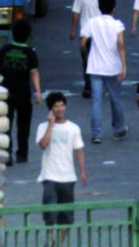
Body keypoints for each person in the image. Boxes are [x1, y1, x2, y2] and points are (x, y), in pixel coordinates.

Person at [35, 91, 87, 242]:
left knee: (66, 216)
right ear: (51, 109)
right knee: (50, 213)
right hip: (50, 176)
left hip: (68, 177)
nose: (60, 109)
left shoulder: (74, 128)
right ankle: (50, 239)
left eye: (62, 105)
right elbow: (43, 144)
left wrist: (83, 172)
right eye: (56, 106)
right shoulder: (42, 127)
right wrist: (51, 125)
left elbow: (79, 151)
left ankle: (58, 243)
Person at [81, 0, 129, 143]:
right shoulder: (117, 24)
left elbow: (83, 42)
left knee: (96, 100)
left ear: (99, 7)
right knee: (116, 99)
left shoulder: (92, 22)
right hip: (112, 67)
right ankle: (119, 129)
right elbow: (121, 45)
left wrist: (87, 56)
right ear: (113, 8)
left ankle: (97, 133)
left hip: (95, 67)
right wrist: (124, 66)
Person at [0, 17, 42, 162]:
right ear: (28, 35)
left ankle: (7, 153)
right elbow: (34, 73)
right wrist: (39, 93)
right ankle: (22, 154)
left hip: (6, 94)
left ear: (13, 33)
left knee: (6, 125)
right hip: (23, 95)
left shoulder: (4, 50)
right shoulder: (30, 53)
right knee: (23, 126)